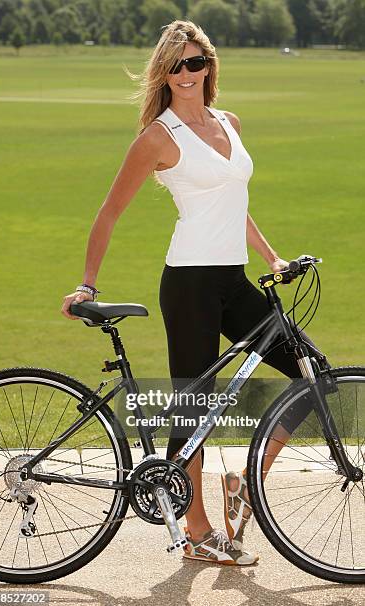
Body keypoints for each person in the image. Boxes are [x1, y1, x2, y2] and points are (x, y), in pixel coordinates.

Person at [62, 20, 320, 567]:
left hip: (233, 280)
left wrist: (271, 256)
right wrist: (87, 282)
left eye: (195, 61)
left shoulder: (230, 122)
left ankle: (246, 487)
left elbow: (234, 200)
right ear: (164, 72)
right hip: (189, 284)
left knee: (311, 372)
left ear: (210, 65)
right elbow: (109, 211)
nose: (186, 73)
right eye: (175, 65)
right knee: (194, 406)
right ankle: (197, 530)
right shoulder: (158, 137)